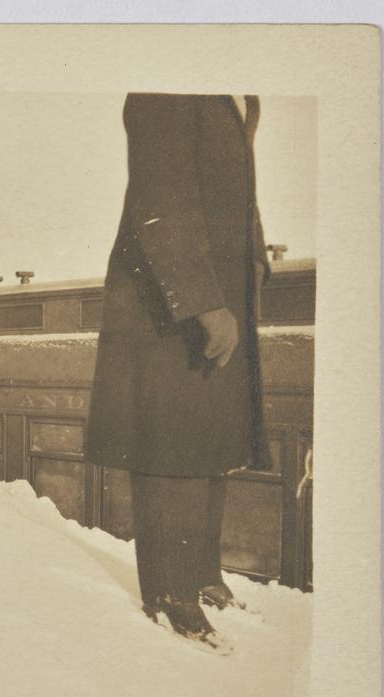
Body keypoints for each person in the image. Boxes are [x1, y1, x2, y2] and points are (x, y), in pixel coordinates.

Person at [84, 94, 272, 650]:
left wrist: (255, 254)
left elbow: (239, 191)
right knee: (171, 439)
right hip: (170, 297)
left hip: (217, 281)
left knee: (210, 433)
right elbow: (158, 197)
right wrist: (203, 302)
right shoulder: (168, 80)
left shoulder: (230, 92)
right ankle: (170, 597)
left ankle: (202, 577)